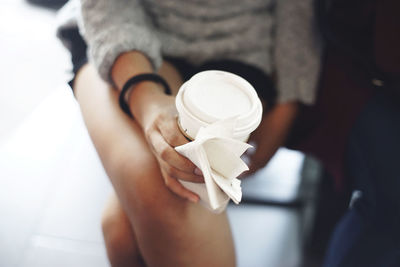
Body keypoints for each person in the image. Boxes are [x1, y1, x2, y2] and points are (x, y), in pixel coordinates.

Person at [57, 0, 320, 266]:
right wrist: (146, 99)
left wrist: (288, 104)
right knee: (162, 205)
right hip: (116, 35)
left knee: (122, 233)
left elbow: (298, 12)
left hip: (239, 55)